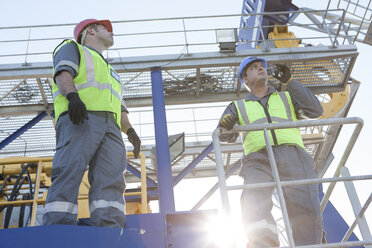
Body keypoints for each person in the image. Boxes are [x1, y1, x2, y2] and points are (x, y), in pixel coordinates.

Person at [43, 19, 141, 228]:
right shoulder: (72, 48)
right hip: (80, 117)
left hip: (111, 127)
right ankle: (58, 228)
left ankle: (109, 228)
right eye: (105, 28)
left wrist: (130, 130)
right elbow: (63, 73)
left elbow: (119, 105)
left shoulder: (110, 71)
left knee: (112, 178)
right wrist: (72, 97)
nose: (111, 32)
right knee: (69, 170)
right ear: (90, 32)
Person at [218, 56, 323, 247]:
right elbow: (225, 136)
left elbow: (316, 111)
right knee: (253, 200)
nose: (261, 69)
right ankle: (263, 244)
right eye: (253, 68)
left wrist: (290, 82)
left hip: (294, 156)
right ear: (245, 80)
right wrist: (224, 126)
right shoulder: (237, 106)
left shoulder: (287, 97)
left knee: (305, 206)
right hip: (258, 159)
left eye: (262, 67)